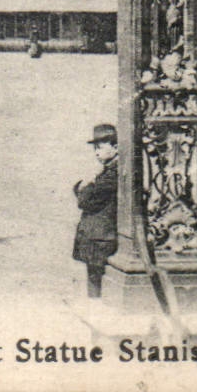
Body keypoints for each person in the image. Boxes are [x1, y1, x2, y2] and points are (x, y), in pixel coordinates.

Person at [74, 123, 119, 298]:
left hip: (99, 237)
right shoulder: (109, 171)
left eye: (100, 148)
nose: (96, 153)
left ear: (115, 147)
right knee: (96, 281)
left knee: (96, 285)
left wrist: (87, 185)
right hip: (99, 235)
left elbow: (85, 201)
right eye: (95, 149)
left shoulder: (110, 174)